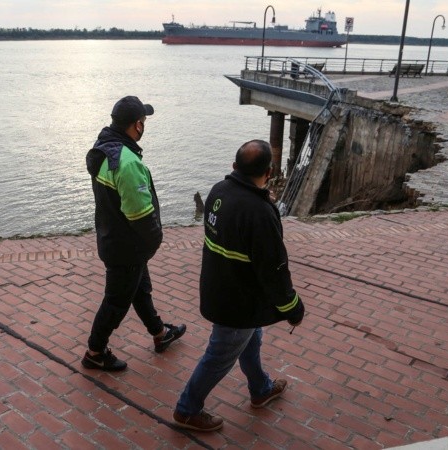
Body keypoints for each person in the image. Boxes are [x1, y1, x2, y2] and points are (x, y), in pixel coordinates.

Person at [173, 139, 305, 432]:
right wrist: (292, 306)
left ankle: (260, 389)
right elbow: (274, 269)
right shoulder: (259, 211)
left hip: (219, 290)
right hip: (238, 303)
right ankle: (186, 409)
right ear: (269, 172)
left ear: (234, 167)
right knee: (219, 356)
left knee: (251, 339)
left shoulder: (219, 192)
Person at [82, 96, 186, 371]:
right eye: (143, 121)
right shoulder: (127, 163)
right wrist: (155, 240)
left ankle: (160, 334)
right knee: (116, 302)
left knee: (140, 290)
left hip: (112, 237)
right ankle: (95, 352)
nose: (144, 126)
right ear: (136, 125)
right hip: (127, 246)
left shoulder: (104, 148)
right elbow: (140, 215)